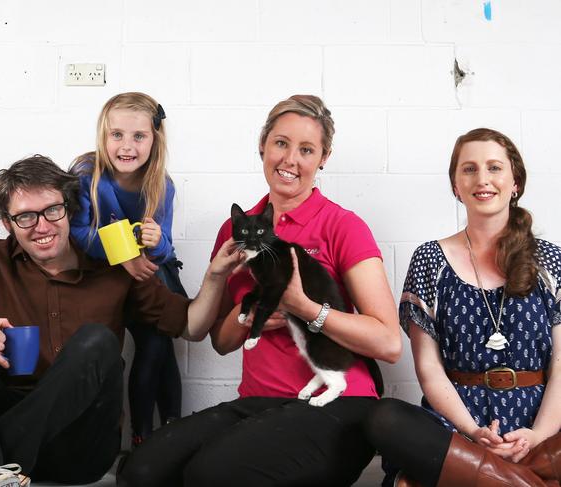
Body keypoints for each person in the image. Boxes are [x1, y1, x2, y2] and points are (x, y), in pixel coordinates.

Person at [119, 95, 402, 487]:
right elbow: (220, 341)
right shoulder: (237, 232)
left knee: (210, 476)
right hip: (258, 403)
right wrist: (247, 316)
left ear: (323, 157)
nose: (290, 160)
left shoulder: (343, 226)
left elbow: (389, 344)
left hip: (338, 403)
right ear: (262, 146)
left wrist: (305, 307)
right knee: (140, 473)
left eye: (307, 150)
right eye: (281, 143)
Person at [0, 155, 242, 486]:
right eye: (26, 217)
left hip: (81, 447)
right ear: (8, 223)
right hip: (12, 413)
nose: (42, 226)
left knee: (96, 341)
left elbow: (191, 327)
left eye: (52, 210)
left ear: (69, 209)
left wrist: (215, 276)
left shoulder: (115, 265)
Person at [365, 128, 561, 487]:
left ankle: (490, 478)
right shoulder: (430, 259)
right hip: (457, 425)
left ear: (515, 181)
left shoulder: (550, 259)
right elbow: (428, 367)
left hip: (541, 425)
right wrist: (472, 431)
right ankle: (528, 482)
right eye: (469, 169)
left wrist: (536, 435)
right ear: (455, 185)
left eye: (494, 168)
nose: (482, 179)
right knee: (384, 417)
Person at [69, 92, 185, 447]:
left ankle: (161, 436)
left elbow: (164, 248)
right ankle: (143, 437)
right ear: (104, 137)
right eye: (116, 135)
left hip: (148, 276)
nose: (127, 146)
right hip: (104, 276)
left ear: (155, 139)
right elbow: (79, 232)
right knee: (145, 346)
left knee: (158, 348)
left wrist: (155, 241)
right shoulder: (87, 174)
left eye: (139, 136)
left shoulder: (161, 185)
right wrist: (124, 255)